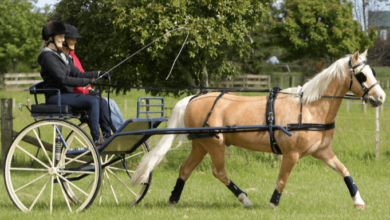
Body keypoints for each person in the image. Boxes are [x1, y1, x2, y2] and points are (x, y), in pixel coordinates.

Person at [38, 20, 111, 146]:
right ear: (50, 38)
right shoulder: (47, 57)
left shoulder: (61, 55)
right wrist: (89, 81)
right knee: (92, 101)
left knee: (101, 100)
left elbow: (78, 74)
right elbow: (64, 79)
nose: (62, 39)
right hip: (56, 96)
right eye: (60, 37)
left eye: (63, 37)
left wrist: (98, 74)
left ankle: (107, 136)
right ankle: (97, 138)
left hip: (65, 95)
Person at [62, 24, 125, 132]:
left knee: (111, 102)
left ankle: (118, 132)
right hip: (74, 95)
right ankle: (120, 133)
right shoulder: (65, 59)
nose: (75, 42)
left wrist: (98, 74)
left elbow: (81, 74)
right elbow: (70, 81)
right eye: (72, 39)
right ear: (64, 40)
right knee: (107, 103)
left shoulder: (72, 57)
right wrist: (87, 90)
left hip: (82, 92)